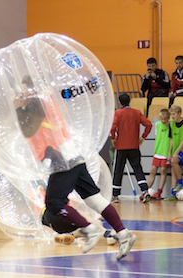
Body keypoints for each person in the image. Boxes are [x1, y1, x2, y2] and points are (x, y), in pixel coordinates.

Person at [15, 76, 136, 260]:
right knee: (93, 199)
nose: (22, 93)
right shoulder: (46, 99)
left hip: (60, 156)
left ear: (32, 89)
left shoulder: (37, 102)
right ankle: (123, 233)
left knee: (54, 203)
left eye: (24, 89)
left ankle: (89, 229)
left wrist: (17, 106)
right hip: (71, 153)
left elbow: (28, 130)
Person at [110, 94, 152, 203]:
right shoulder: (137, 112)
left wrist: (113, 138)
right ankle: (145, 190)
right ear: (130, 101)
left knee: (118, 171)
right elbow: (148, 124)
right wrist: (143, 137)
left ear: (119, 102)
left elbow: (112, 127)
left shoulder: (118, 113)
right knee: (138, 169)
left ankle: (115, 196)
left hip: (121, 146)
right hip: (134, 146)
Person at [42, 209, 117, 246]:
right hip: (56, 212)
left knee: (97, 223)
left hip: (49, 220)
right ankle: (108, 234)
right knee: (86, 215)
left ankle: (71, 235)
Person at [146, 109, 171, 199]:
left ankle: (159, 192)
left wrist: (169, 153)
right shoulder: (157, 124)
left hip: (165, 152)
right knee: (152, 171)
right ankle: (146, 191)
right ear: (159, 118)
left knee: (163, 171)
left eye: (165, 119)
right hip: (157, 151)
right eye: (162, 119)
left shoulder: (171, 125)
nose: (163, 121)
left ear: (168, 118)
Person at [166, 105, 183, 199]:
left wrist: (176, 153)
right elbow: (171, 139)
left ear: (179, 113)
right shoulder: (171, 124)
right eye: (171, 114)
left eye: (174, 114)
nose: (172, 116)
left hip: (181, 150)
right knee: (173, 170)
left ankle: (180, 182)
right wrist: (170, 152)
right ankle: (173, 193)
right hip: (176, 151)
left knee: (174, 161)